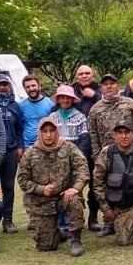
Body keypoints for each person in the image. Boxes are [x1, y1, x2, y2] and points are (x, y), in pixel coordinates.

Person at [17, 117, 90, 257]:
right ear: (40, 133)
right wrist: (41, 189)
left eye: (52, 130)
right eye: (45, 131)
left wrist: (76, 188)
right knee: (46, 246)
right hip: (42, 202)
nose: (48, 134)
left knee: (74, 201)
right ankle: (59, 233)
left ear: (57, 131)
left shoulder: (68, 147)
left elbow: (83, 169)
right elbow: (22, 180)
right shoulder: (30, 153)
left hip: (64, 196)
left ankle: (76, 240)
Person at [88, 73, 133, 238]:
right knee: (109, 187)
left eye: (112, 83)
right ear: (101, 88)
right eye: (105, 84)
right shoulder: (95, 109)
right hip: (107, 156)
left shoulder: (130, 104)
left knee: (131, 185)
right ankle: (109, 222)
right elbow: (93, 134)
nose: (109, 86)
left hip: (130, 152)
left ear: (117, 86)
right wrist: (97, 156)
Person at [91, 120, 133, 248]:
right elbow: (97, 182)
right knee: (124, 241)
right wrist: (105, 208)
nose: (124, 136)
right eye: (120, 133)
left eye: (127, 132)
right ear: (114, 136)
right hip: (121, 204)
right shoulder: (107, 153)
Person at [49, 85, 94, 230]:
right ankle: (58, 223)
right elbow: (47, 139)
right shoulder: (52, 117)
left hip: (74, 159)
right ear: (58, 99)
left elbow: (85, 140)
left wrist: (77, 160)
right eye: (62, 97)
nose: (65, 100)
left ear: (73, 100)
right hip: (55, 161)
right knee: (56, 191)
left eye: (68, 97)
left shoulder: (80, 117)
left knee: (72, 192)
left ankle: (70, 224)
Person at [0, 73, 24, 234]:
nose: (2, 87)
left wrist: (20, 146)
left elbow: (20, 128)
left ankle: (8, 220)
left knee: (8, 187)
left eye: (4, 85)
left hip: (10, 151)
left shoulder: (15, 105)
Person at [18, 75, 53, 148]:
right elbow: (19, 127)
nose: (31, 89)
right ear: (24, 89)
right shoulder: (21, 106)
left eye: (33, 85)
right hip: (28, 146)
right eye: (28, 87)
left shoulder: (50, 103)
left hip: (46, 145)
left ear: (39, 86)